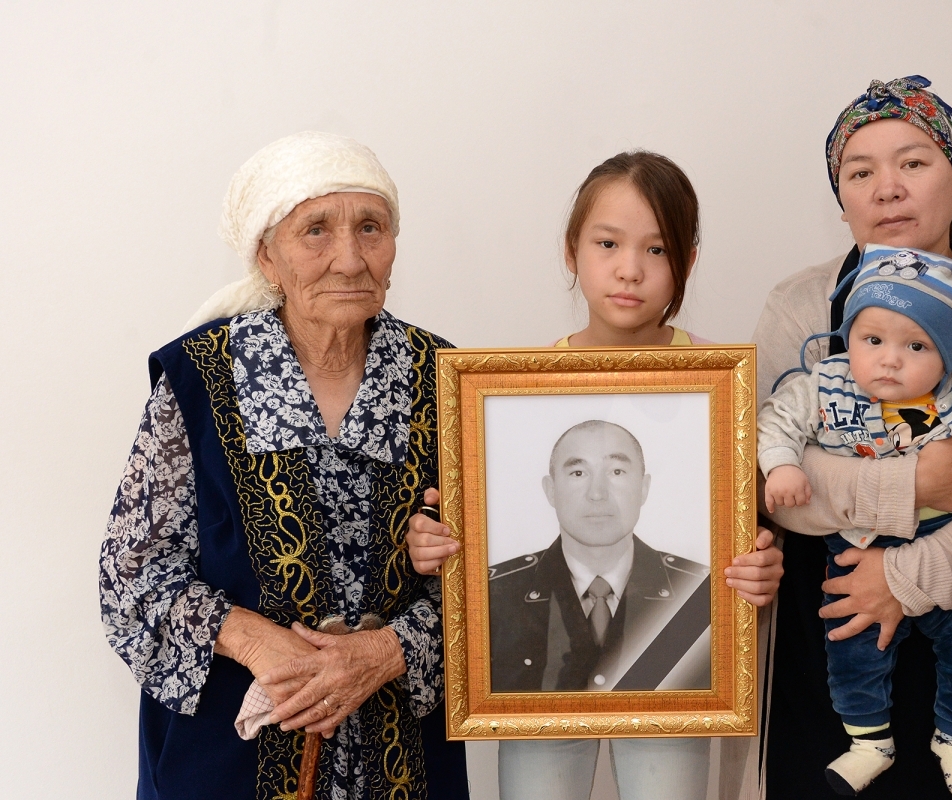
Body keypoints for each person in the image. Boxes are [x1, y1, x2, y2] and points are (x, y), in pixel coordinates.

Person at [99, 132, 469, 800]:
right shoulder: (199, 378)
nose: (349, 258)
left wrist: (389, 651)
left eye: (371, 227)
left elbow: (499, 575)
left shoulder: (445, 378)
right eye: (316, 231)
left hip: (402, 760)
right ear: (267, 256)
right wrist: (258, 643)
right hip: (226, 761)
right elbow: (133, 576)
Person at [406, 151, 784, 800]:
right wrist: (441, 544)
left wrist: (762, 567)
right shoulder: (514, 398)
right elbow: (480, 541)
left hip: (678, 672)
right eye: (607, 243)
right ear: (571, 250)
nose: (630, 268)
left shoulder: (723, 388)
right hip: (536, 684)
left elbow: (751, 527)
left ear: (688, 261)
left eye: (657, 249)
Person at [754, 76, 952, 799]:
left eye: (913, 162)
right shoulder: (798, 304)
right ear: (841, 200)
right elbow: (766, 470)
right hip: (827, 610)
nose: (887, 188)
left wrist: (904, 578)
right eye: (859, 172)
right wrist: (913, 486)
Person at [758, 245, 952, 798]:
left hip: (946, 544)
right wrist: (781, 465)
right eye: (871, 340)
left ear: (948, 356)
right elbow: (774, 421)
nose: (889, 360)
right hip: (856, 542)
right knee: (852, 651)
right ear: (848, 337)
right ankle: (869, 742)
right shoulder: (824, 384)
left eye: (916, 346)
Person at [489, 419, 710, 694]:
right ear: (550, 490)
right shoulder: (494, 594)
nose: (597, 493)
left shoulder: (699, 591)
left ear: (643, 488)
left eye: (616, 471)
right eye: (578, 473)